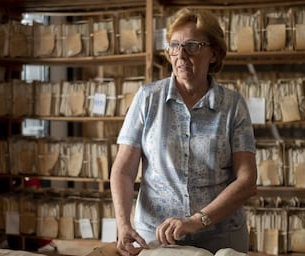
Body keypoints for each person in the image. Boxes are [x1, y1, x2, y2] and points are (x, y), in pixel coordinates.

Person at [110, 7, 257, 256]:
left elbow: (246, 181)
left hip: (221, 238)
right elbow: (123, 170)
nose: (181, 55)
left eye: (192, 46)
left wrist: (196, 221)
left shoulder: (232, 105)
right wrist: (124, 225)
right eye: (174, 46)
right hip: (156, 238)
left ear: (214, 53)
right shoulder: (148, 99)